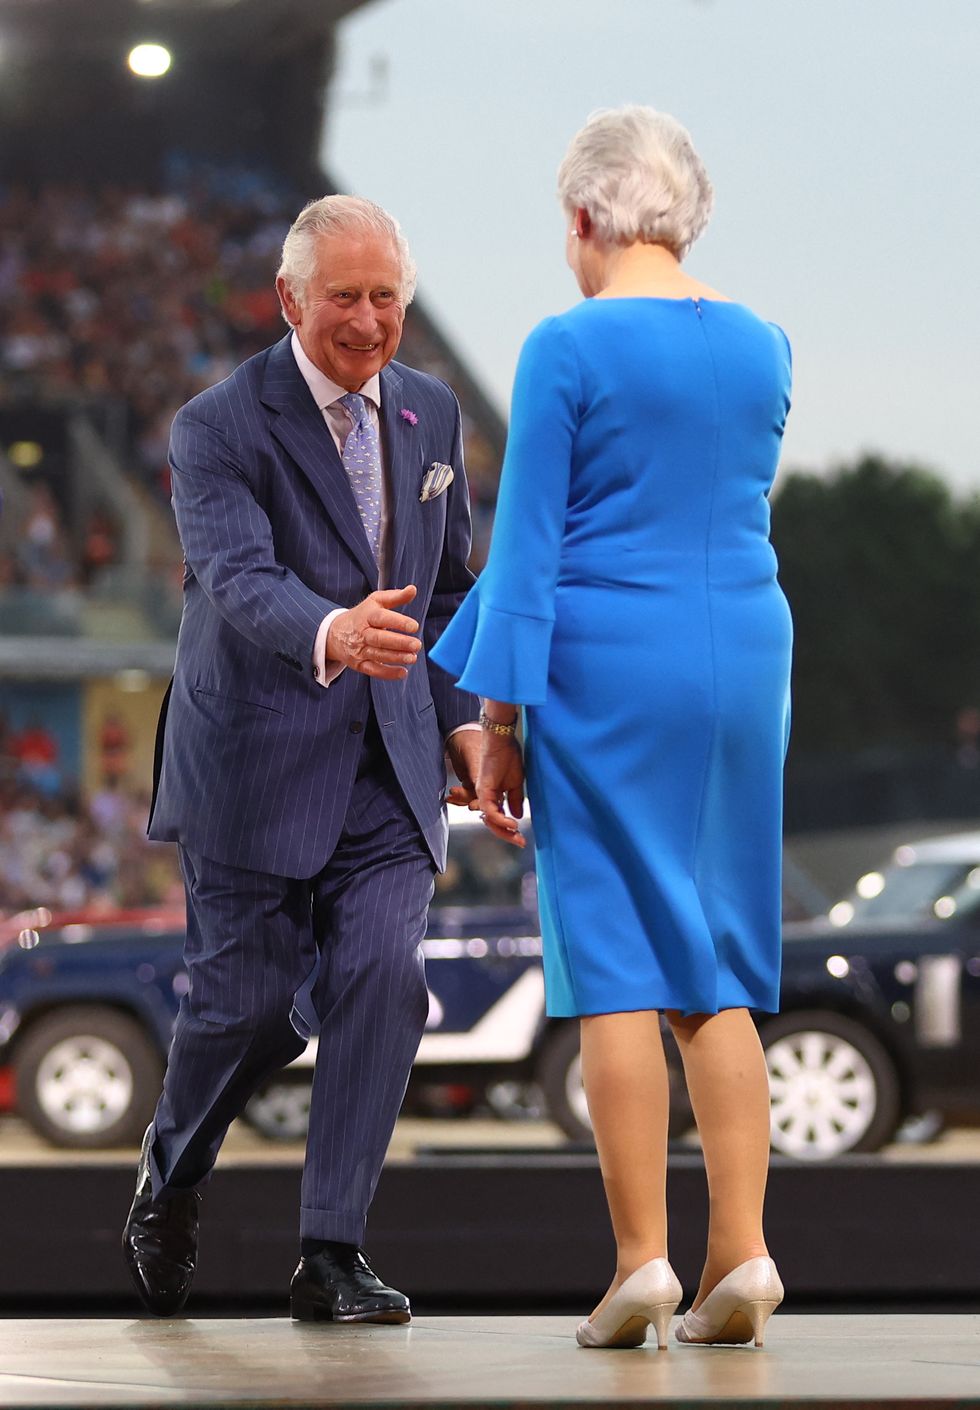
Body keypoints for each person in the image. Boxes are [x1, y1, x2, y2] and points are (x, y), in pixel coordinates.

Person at [432, 106, 792, 1351]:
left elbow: (531, 546)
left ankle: (641, 1262)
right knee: (722, 953)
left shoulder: (565, 345)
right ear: (683, 213)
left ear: (581, 216)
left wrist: (492, 718)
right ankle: (740, 1254)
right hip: (745, 648)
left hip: (605, 661)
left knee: (615, 965)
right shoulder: (763, 345)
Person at [124, 195, 481, 1322]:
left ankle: (330, 1252)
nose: (368, 321)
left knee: (384, 978)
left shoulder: (431, 415)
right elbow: (237, 579)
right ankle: (172, 1169)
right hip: (251, 766)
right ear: (288, 300)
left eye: (386, 298)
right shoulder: (215, 426)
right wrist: (336, 632)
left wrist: (468, 722)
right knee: (250, 1008)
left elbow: (452, 591)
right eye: (344, 298)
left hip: (390, 769)